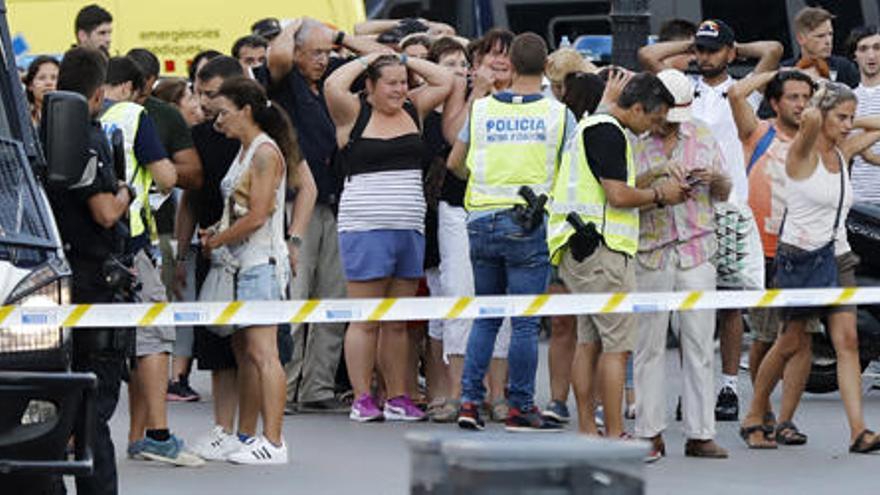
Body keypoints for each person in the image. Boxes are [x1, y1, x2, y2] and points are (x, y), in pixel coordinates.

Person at [639, 19, 784, 422]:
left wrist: (730, 46)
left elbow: (773, 46)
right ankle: (694, 388)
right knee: (691, 308)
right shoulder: (683, 90)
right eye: (700, 51)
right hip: (685, 205)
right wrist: (693, 43)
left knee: (730, 304)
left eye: (712, 50)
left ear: (730, 52)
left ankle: (727, 386)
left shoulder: (740, 92)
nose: (703, 57)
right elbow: (649, 56)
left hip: (729, 203)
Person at [741, 82, 880, 454]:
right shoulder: (801, 153)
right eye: (842, 117)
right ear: (822, 116)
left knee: (847, 342)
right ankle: (754, 412)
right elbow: (811, 120)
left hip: (838, 256)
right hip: (800, 257)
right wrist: (820, 105)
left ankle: (858, 431)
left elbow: (878, 125)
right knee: (791, 342)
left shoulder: (843, 150)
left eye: (851, 117)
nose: (849, 125)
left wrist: (847, 115)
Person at [547, 71, 684, 438]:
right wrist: (661, 195)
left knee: (588, 342)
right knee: (617, 348)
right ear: (637, 108)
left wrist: (653, 175)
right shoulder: (608, 132)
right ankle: (615, 432)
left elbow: (612, 184)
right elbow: (618, 196)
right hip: (603, 251)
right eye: (653, 119)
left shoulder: (594, 126)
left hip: (581, 250)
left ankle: (590, 430)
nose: (653, 129)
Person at [447, 33, 572, 433]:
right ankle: (519, 406)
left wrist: (480, 181)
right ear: (547, 67)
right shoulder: (558, 114)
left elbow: (454, 163)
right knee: (523, 322)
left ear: (512, 66)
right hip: (528, 224)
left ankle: (469, 401)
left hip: (481, 219)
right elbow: (569, 171)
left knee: (486, 316)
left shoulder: (481, 110)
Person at [266, 18, 388, 414]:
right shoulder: (285, 82)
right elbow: (279, 54)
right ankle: (284, 386)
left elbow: (382, 58)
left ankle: (317, 386)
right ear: (297, 53)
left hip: (336, 201)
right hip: (295, 203)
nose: (322, 60)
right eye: (314, 53)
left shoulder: (335, 78)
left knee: (333, 298)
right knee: (296, 298)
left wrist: (337, 38)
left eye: (326, 53)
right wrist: (295, 26)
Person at [324, 50, 452, 422]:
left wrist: (403, 61)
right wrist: (370, 58)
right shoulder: (353, 112)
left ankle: (398, 395)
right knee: (366, 318)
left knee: (398, 320)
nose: (400, 90)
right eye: (391, 83)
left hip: (408, 226)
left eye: (403, 83)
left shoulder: (414, 109)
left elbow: (445, 80)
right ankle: (363, 396)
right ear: (369, 87)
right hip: (365, 226)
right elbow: (333, 83)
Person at [199, 76, 314, 464]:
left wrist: (217, 239)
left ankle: (275, 440)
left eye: (225, 114)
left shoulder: (264, 152)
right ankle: (246, 435)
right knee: (246, 351)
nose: (219, 121)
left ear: (246, 110)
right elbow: (243, 210)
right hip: (241, 262)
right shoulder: (247, 150)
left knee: (264, 353)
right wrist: (218, 231)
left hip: (261, 263)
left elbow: (260, 215)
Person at [99, 56, 202, 467]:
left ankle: (125, 435)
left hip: (86, 246)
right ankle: (156, 434)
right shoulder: (133, 115)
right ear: (131, 86)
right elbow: (167, 176)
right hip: (132, 240)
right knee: (154, 340)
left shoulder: (64, 112)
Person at [633, 69, 731, 461]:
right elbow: (621, 188)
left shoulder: (703, 134)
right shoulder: (634, 137)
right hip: (651, 248)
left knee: (699, 344)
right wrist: (658, 183)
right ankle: (648, 431)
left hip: (695, 246)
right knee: (648, 345)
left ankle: (700, 432)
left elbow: (724, 192)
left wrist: (714, 178)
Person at [47, 46, 131, 495]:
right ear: (98, 93)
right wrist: (125, 193)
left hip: (53, 280)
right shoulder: (88, 137)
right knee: (94, 408)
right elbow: (103, 212)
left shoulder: (42, 133)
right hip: (93, 282)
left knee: (61, 404)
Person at [729, 69, 816, 445]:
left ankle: (786, 420)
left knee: (803, 339)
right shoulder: (759, 132)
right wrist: (775, 73)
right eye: (793, 97)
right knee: (765, 338)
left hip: (805, 250)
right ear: (775, 102)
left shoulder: (815, 137)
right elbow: (735, 95)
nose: (801, 105)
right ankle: (759, 411)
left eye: (805, 98)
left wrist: (816, 86)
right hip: (764, 251)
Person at [128, 48, 205, 403]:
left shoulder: (165, 118)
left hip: (160, 232)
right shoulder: (99, 111)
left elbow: (193, 174)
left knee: (162, 314)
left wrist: (159, 171)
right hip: (114, 233)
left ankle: (168, 382)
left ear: (149, 83)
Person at [782, 7, 860, 87]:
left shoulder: (844, 68)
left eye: (830, 34)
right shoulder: (784, 71)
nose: (828, 41)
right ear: (801, 39)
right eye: (820, 36)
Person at [848, 26, 880, 203]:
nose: (871, 55)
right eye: (864, 48)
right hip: (859, 200)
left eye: (877, 47)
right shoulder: (848, 98)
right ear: (855, 55)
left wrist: (855, 122)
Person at [23, 55, 59, 127]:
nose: (49, 83)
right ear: (30, 85)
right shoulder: (22, 116)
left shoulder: (69, 114)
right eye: (42, 78)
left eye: (54, 78)